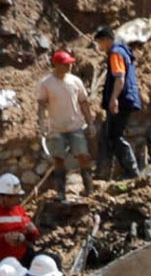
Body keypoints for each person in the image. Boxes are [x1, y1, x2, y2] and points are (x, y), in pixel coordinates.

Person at [36, 48, 95, 193]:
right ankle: (61, 193)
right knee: (58, 159)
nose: (69, 66)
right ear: (56, 65)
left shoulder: (75, 81)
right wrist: (42, 124)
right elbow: (42, 105)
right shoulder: (46, 84)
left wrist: (91, 123)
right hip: (56, 128)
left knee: (83, 156)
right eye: (65, 64)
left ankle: (89, 190)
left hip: (76, 126)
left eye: (70, 64)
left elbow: (84, 103)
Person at [96, 26, 143, 177]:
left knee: (116, 136)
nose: (99, 47)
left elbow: (120, 78)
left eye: (100, 43)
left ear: (106, 40)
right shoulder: (122, 51)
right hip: (126, 98)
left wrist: (114, 99)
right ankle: (119, 171)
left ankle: (131, 171)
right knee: (111, 134)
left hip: (122, 100)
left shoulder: (116, 53)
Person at [0, 175, 37, 275]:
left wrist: (32, 232)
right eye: (15, 197)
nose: (19, 200)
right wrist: (4, 238)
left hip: (22, 261)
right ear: (3, 197)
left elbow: (32, 237)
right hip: (0, 263)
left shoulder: (19, 210)